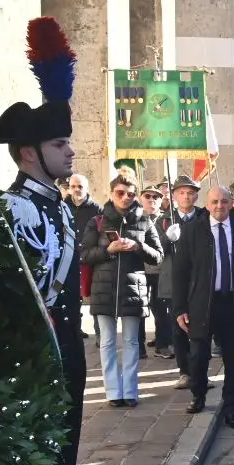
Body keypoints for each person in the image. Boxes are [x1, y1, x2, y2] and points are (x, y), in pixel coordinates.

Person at [0, 17, 96, 465]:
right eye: (59, 145)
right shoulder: (11, 211)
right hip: (33, 347)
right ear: (28, 152)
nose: (70, 152)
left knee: (65, 450)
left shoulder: (54, 205)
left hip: (66, 340)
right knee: (34, 454)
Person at [171, 184, 234, 430]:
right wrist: (180, 307)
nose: (219, 207)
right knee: (198, 355)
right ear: (207, 204)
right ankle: (198, 395)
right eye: (214, 202)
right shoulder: (193, 231)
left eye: (224, 202)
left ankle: (232, 407)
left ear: (231, 203)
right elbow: (180, 272)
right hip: (202, 304)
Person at [80, 173, 164, 407]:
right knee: (106, 341)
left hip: (133, 288)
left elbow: (158, 256)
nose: (125, 197)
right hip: (103, 288)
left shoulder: (144, 220)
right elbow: (84, 254)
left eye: (130, 194)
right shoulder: (97, 221)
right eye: (120, 193)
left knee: (131, 342)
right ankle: (113, 392)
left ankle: (130, 391)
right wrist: (109, 250)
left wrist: (138, 246)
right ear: (110, 193)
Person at [157, 175, 205, 387]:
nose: (186, 196)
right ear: (174, 196)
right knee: (178, 328)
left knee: (201, 328)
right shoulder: (165, 220)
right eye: (181, 192)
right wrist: (168, 238)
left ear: (196, 196)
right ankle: (184, 371)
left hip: (199, 280)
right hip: (173, 281)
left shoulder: (204, 217)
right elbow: (156, 252)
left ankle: (199, 371)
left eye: (190, 193)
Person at [138, 184, 170, 357]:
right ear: (141, 198)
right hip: (139, 271)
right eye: (147, 196)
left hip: (160, 271)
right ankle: (139, 347)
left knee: (160, 309)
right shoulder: (134, 218)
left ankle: (162, 343)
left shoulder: (166, 220)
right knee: (139, 310)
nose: (151, 200)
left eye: (155, 197)